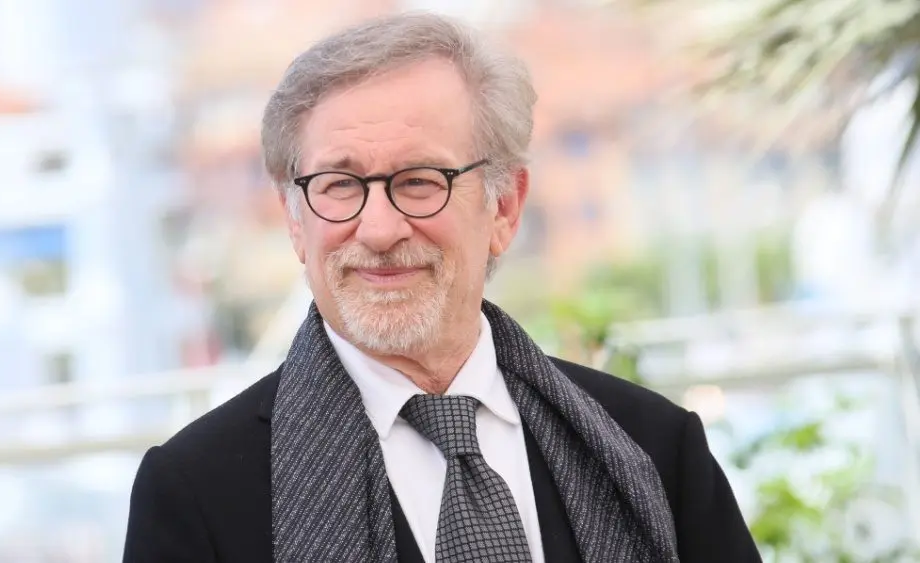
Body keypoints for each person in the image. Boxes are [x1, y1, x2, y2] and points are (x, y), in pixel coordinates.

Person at [123, 12, 761, 563]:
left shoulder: (652, 448)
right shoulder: (195, 492)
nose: (377, 229)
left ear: (505, 208)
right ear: (296, 220)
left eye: (420, 180)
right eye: (339, 185)